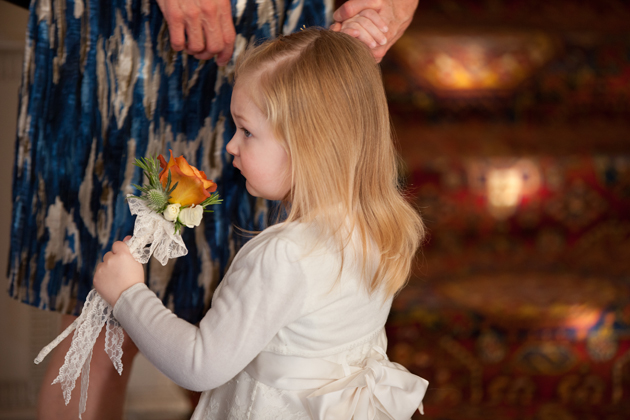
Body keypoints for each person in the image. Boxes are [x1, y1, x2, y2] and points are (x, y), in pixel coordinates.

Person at [8, 0, 419, 417]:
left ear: (309, 144)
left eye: (246, 131)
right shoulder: (379, 224)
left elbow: (199, 365)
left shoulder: (285, 256)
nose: (230, 146)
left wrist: (128, 294)